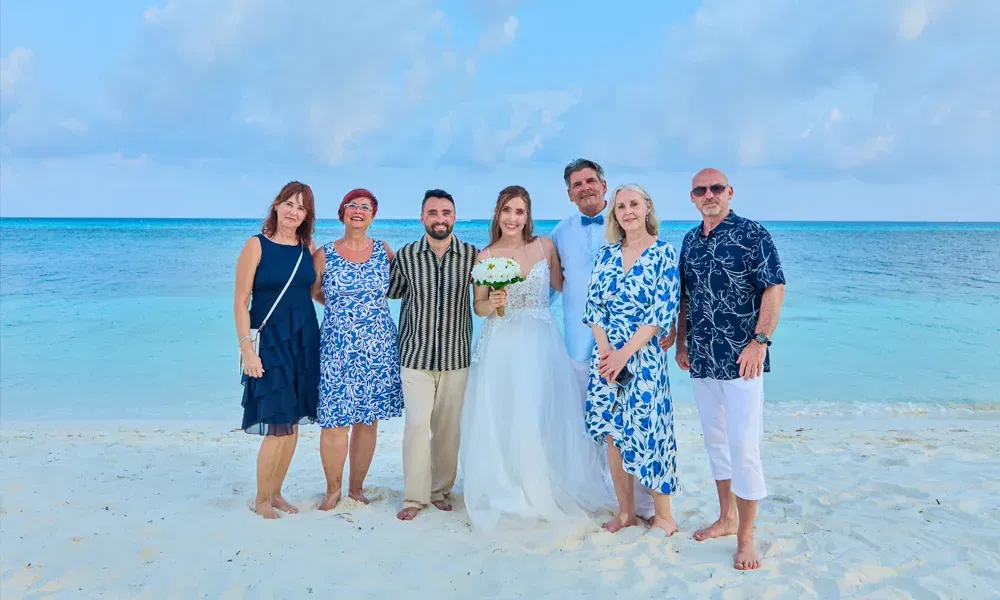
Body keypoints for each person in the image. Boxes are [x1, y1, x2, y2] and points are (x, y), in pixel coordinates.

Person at [460, 186, 612, 533]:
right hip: (502, 341)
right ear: (497, 215)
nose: (513, 218)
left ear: (528, 216)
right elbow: (479, 307)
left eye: (520, 211)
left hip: (541, 338)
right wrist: (494, 301)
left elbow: (566, 284)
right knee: (506, 410)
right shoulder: (485, 257)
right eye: (507, 211)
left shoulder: (545, 247)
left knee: (542, 409)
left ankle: (544, 478)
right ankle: (510, 479)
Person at [676, 168, 786, 571]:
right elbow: (686, 297)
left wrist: (760, 341)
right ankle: (725, 518)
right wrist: (683, 341)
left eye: (716, 188)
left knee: (743, 446)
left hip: (743, 361)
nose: (709, 194)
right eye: (701, 190)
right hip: (702, 359)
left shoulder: (752, 234)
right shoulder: (689, 241)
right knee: (715, 442)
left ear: (729, 193)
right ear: (692, 197)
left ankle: (746, 536)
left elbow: (774, 287)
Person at [550, 158, 657, 521]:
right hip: (580, 345)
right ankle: (601, 496)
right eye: (577, 184)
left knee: (633, 424)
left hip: (630, 348)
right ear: (569, 194)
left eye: (590, 181)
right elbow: (551, 287)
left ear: (604, 185)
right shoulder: (560, 233)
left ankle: (641, 505)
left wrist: (670, 325)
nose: (585, 188)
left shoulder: (626, 229)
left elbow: (655, 286)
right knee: (591, 427)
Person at [583, 183, 681, 535]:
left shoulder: (664, 254)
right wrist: (607, 352)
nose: (628, 211)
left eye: (634, 204)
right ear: (615, 214)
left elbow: (661, 312)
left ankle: (664, 516)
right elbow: (593, 307)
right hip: (607, 356)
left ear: (647, 208)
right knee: (614, 434)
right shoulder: (606, 255)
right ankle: (626, 512)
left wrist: (624, 353)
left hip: (643, 357)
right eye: (621, 206)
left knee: (651, 431)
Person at [311, 188, 404, 511]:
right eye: (352, 205)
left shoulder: (384, 251)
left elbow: (400, 288)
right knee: (334, 421)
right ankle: (333, 489)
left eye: (366, 207)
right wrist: (343, 310)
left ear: (373, 216)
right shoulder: (324, 253)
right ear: (342, 212)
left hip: (378, 347)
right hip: (337, 347)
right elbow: (314, 291)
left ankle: (357, 487)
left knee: (367, 421)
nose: (358, 211)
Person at [390, 189, 478, 521]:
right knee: (416, 425)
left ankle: (440, 490)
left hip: (456, 357)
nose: (439, 218)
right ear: (422, 217)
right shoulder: (406, 255)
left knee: (447, 429)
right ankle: (414, 497)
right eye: (433, 212)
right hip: (415, 356)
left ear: (454, 217)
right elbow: (389, 291)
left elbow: (485, 299)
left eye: (446, 212)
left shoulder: (472, 256)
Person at [234, 181, 320, 519]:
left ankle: (277, 492)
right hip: (271, 343)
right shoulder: (256, 245)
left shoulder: (306, 246)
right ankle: (261, 500)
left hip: (304, 340)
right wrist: (247, 350)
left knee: (293, 424)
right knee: (276, 426)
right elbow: (241, 301)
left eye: (301, 208)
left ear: (306, 216)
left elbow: (313, 292)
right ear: (276, 205)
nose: (293, 211)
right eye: (289, 204)